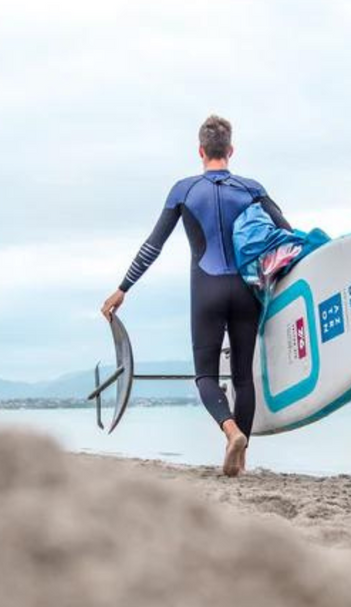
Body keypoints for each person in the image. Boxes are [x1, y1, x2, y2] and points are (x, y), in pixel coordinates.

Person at [101, 115, 291, 477]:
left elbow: (152, 246)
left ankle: (230, 430)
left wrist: (123, 287)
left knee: (205, 376)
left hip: (206, 290)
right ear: (231, 150)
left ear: (200, 151)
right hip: (245, 291)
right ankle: (242, 455)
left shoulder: (184, 190)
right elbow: (286, 233)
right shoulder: (252, 188)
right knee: (242, 379)